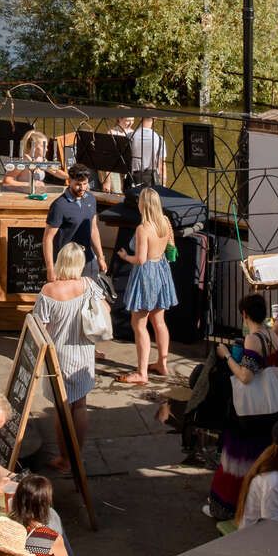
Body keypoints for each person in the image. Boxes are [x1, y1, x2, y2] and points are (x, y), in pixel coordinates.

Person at [206, 294, 278, 520]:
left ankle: (232, 505)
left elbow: (245, 376)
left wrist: (227, 356)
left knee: (238, 457)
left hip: (251, 411)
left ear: (245, 315)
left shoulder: (254, 339)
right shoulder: (273, 335)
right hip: (271, 407)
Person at [31, 244, 99, 473]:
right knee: (80, 406)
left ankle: (64, 459)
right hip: (84, 352)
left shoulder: (49, 290)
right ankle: (76, 456)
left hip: (59, 355)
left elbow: (40, 328)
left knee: (62, 409)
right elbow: (102, 309)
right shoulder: (89, 284)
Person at [116, 187, 176, 386]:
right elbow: (171, 249)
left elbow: (141, 260)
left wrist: (125, 257)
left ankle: (142, 373)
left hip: (146, 275)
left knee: (139, 324)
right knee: (159, 322)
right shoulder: (165, 222)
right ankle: (162, 363)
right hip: (162, 270)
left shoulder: (143, 228)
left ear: (143, 205)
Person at [41, 163, 100, 279]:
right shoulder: (59, 205)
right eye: (78, 184)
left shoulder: (91, 200)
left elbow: (93, 229)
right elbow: (48, 238)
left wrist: (101, 257)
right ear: (69, 181)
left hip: (87, 260)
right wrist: (50, 269)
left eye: (85, 184)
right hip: (66, 262)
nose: (82, 188)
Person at [0, 129, 65, 190]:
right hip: (20, 196)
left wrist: (71, 177)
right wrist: (29, 185)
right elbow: (6, 182)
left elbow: (56, 172)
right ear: (34, 146)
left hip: (36, 194)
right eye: (43, 146)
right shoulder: (23, 161)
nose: (47, 149)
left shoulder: (41, 160)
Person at [127, 116, 168, 186]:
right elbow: (162, 165)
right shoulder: (159, 139)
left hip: (133, 180)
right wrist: (163, 185)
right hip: (152, 180)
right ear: (155, 119)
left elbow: (124, 161)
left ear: (140, 117)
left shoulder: (130, 136)